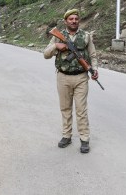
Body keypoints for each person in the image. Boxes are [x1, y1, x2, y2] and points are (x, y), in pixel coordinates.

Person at [43, 9, 99, 154]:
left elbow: (93, 55)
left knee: (81, 110)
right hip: (63, 77)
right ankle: (66, 136)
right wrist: (56, 46)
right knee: (65, 108)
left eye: (76, 19)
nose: (74, 21)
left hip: (81, 77)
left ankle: (84, 139)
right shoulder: (58, 37)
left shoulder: (86, 36)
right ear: (66, 21)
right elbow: (46, 54)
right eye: (71, 19)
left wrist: (94, 70)